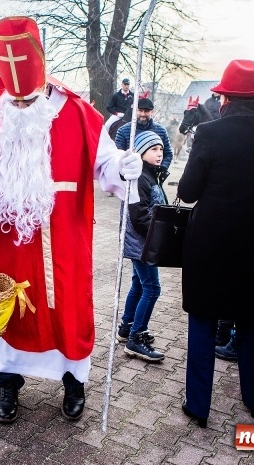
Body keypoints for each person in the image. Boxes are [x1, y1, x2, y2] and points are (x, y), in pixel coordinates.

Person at [0, 16, 143, 424]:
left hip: (66, 236)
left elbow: (105, 162)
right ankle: (7, 382)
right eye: (15, 102)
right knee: (12, 308)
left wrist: (124, 166)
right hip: (10, 240)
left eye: (27, 102)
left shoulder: (78, 114)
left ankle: (74, 382)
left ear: (42, 87)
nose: (20, 108)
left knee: (70, 305)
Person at [177, 59, 254, 428]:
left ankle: (198, 406)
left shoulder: (211, 133)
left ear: (225, 97)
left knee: (202, 323)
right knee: (249, 321)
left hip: (210, 243)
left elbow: (187, 191)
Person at [116, 131, 168, 362]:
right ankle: (136, 338)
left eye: (161, 150)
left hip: (142, 242)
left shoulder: (149, 175)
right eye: (154, 150)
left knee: (139, 283)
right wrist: (162, 234)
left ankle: (127, 328)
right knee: (152, 288)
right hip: (141, 243)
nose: (159, 154)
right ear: (141, 152)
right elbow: (140, 217)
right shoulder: (139, 178)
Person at [115, 94, 174, 169]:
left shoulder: (161, 131)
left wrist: (161, 171)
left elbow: (168, 154)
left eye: (146, 111)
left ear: (152, 112)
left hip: (152, 174)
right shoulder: (123, 130)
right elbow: (118, 154)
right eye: (140, 110)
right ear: (135, 111)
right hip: (130, 173)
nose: (143, 114)